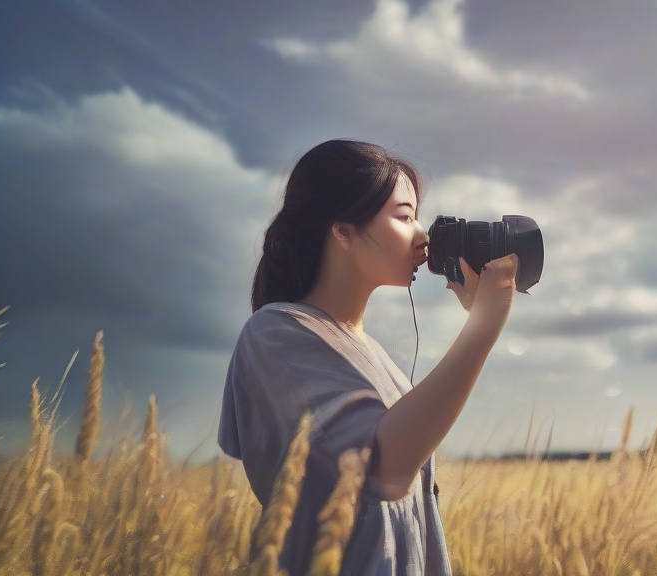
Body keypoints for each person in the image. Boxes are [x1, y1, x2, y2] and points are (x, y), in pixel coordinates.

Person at [217, 139, 519, 575]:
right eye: (404, 217)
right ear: (343, 231)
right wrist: (484, 326)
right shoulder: (275, 333)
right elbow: (381, 471)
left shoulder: (375, 355)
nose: (423, 237)